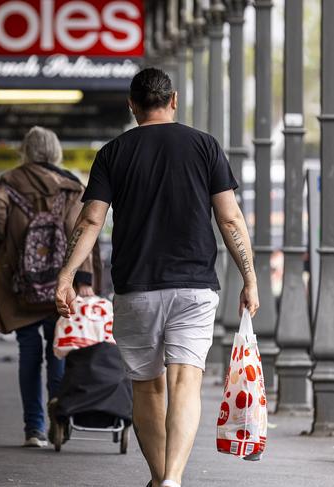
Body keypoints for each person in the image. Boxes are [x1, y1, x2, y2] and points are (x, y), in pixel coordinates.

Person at [55, 68, 259, 487]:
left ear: (132, 105)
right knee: (185, 383)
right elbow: (231, 220)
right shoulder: (205, 146)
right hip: (195, 287)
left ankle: (159, 475)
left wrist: (67, 275)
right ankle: (173, 480)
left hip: (136, 288)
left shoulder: (113, 152)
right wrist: (250, 279)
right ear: (174, 100)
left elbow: (92, 218)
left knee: (148, 389)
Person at [0, 126, 97, 448]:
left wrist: (12, 238)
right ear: (56, 151)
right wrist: (84, 280)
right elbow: (81, 231)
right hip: (62, 285)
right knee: (58, 350)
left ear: (26, 151)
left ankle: (33, 428)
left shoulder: (11, 182)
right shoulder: (72, 188)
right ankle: (58, 418)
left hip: (24, 286)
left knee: (29, 353)